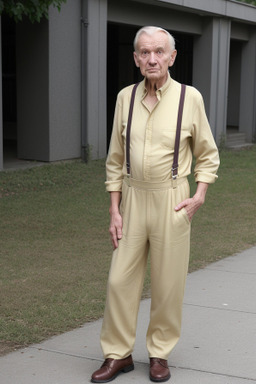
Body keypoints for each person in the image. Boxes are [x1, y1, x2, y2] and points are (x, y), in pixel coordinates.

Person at [91, 26, 220, 383]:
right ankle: (118, 355)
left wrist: (199, 195)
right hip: (132, 198)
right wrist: (114, 210)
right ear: (135, 58)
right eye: (144, 52)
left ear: (172, 57)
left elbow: (207, 155)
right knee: (119, 280)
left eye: (159, 52)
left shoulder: (189, 98)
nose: (152, 59)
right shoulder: (124, 98)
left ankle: (160, 353)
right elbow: (115, 159)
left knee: (168, 283)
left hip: (173, 198)